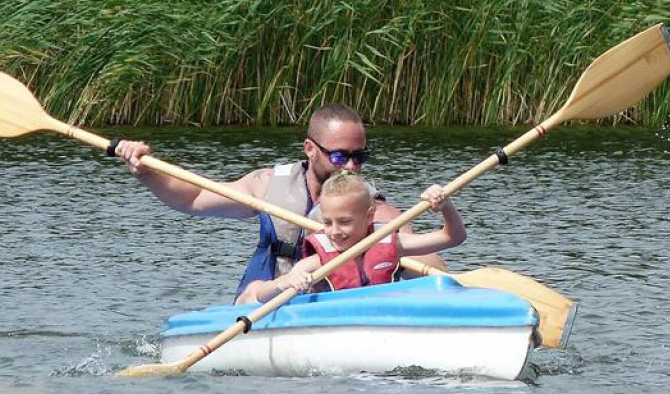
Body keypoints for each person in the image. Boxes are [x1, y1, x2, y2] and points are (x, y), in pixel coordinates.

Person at [111, 103, 445, 298]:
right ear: (310, 149)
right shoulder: (268, 186)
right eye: (341, 157)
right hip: (268, 305)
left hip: (333, 317)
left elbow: (435, 273)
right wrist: (144, 171)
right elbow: (194, 197)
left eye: (361, 156)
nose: (353, 167)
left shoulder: (378, 212)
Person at [235, 172, 465, 304]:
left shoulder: (390, 242)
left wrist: (445, 206)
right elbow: (265, 296)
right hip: (335, 322)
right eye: (327, 222)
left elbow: (453, 237)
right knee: (255, 291)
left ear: (369, 216)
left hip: (383, 319)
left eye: (344, 222)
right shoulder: (318, 261)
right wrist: (286, 281)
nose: (334, 231)